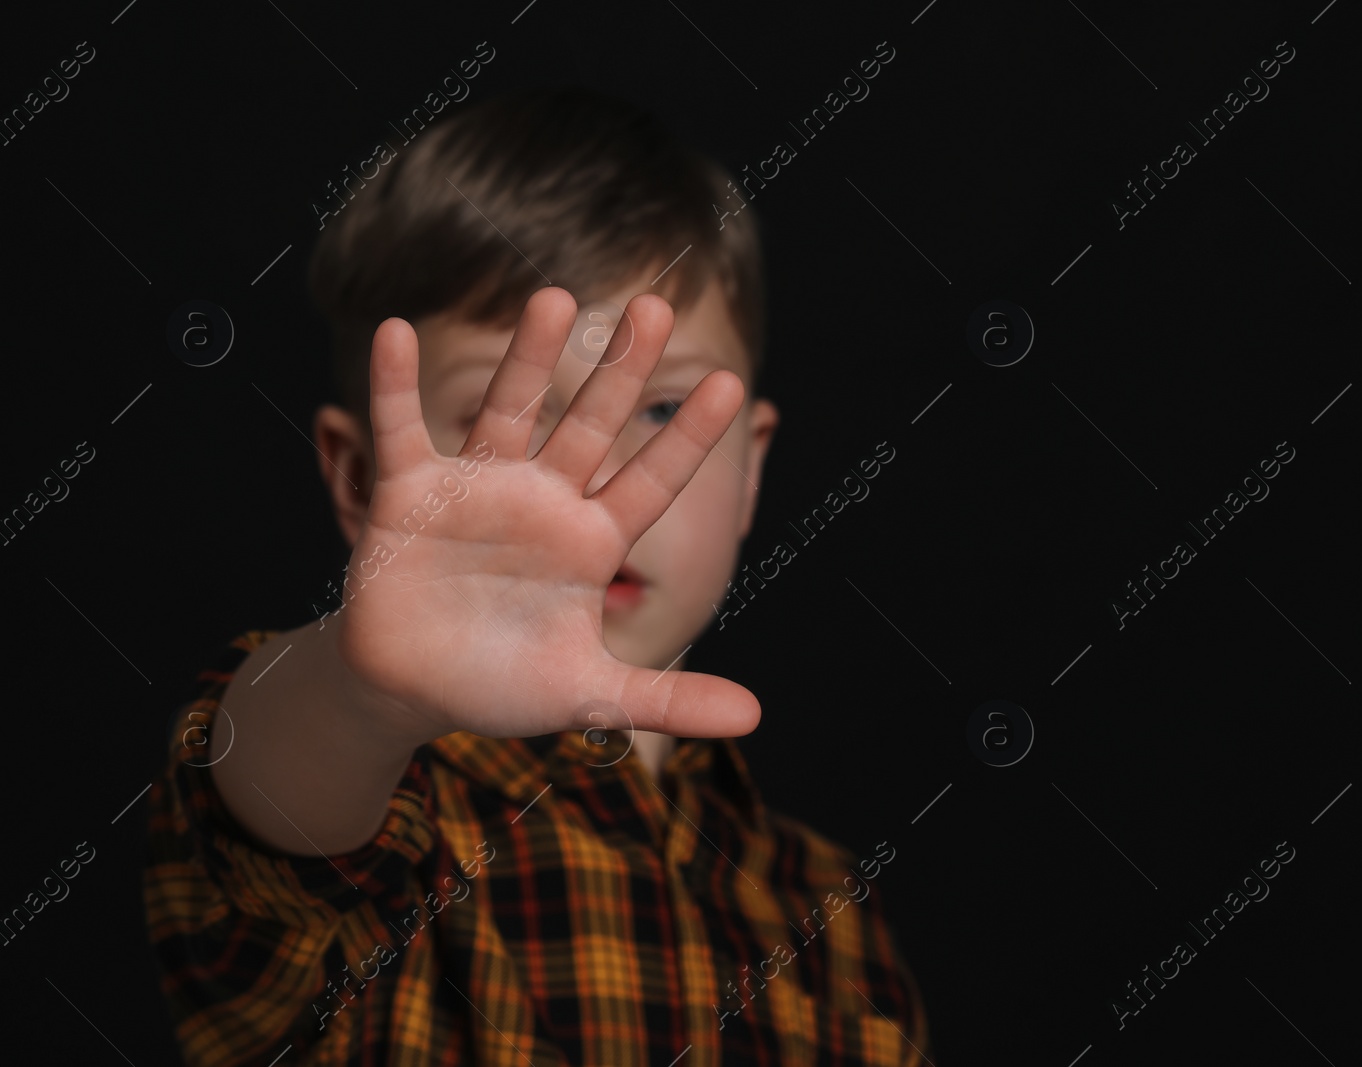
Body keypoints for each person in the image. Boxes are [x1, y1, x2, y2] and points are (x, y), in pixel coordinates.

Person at [142, 86, 929, 1066]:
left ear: (750, 467)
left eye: (659, 410)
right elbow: (263, 806)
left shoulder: (826, 903)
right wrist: (364, 694)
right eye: (496, 416)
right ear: (357, 476)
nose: (588, 485)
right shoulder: (376, 811)